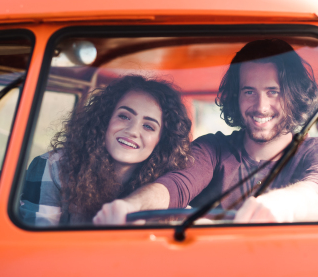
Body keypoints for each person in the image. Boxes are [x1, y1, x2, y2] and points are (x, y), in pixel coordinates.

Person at [93, 39, 318, 225]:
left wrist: (280, 206)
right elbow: (174, 187)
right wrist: (131, 206)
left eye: (273, 92)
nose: (260, 106)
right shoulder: (212, 149)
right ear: (237, 96)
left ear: (293, 96)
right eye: (249, 92)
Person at [19, 75, 192, 226]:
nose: (132, 131)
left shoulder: (168, 185)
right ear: (105, 119)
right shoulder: (55, 166)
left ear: (162, 140)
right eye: (124, 116)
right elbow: (37, 245)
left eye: (148, 126)